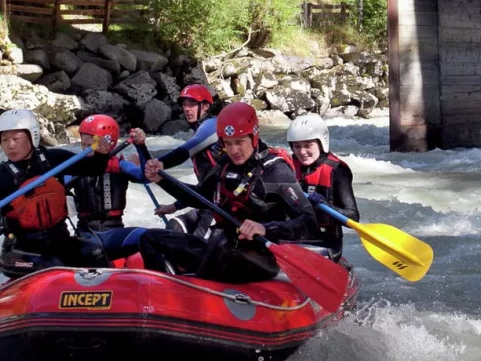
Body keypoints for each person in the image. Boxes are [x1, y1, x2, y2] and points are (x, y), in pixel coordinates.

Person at [137, 103, 314, 284]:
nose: (234, 150)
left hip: (262, 257)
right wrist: (162, 180)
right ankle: (171, 294)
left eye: (239, 142)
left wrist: (265, 228)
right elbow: (199, 197)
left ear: (254, 137)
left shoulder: (276, 171)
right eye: (228, 143)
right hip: (223, 248)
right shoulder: (225, 164)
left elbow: (308, 220)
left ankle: (199, 294)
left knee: (221, 241)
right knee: (150, 239)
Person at [0, 108, 110, 278]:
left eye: (16, 138)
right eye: (4, 140)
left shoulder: (53, 159)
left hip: (59, 241)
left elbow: (93, 169)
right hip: (19, 251)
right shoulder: (0, 175)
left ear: (32, 136)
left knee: (94, 252)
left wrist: (101, 154)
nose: (10, 145)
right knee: (52, 266)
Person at [286, 113, 359, 260]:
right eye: (297, 146)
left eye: (308, 145)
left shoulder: (338, 171)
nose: (302, 152)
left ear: (321, 143)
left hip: (325, 240)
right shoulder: (285, 166)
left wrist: (325, 205)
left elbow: (353, 217)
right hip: (291, 235)